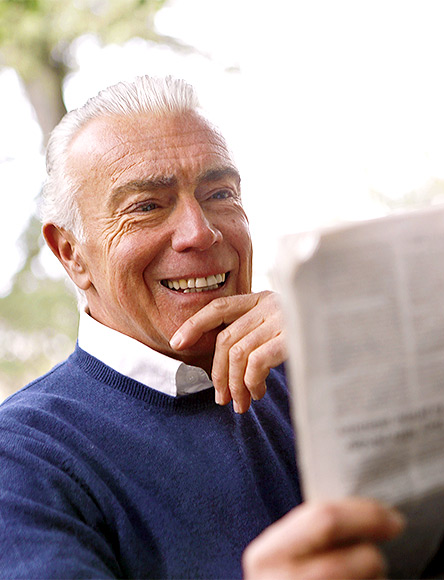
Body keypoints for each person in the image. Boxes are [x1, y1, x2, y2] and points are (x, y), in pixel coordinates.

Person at [0, 76, 405, 579]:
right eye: (146, 206)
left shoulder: (316, 371)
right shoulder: (22, 457)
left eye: (219, 193)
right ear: (71, 254)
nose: (201, 231)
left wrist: (338, 345)